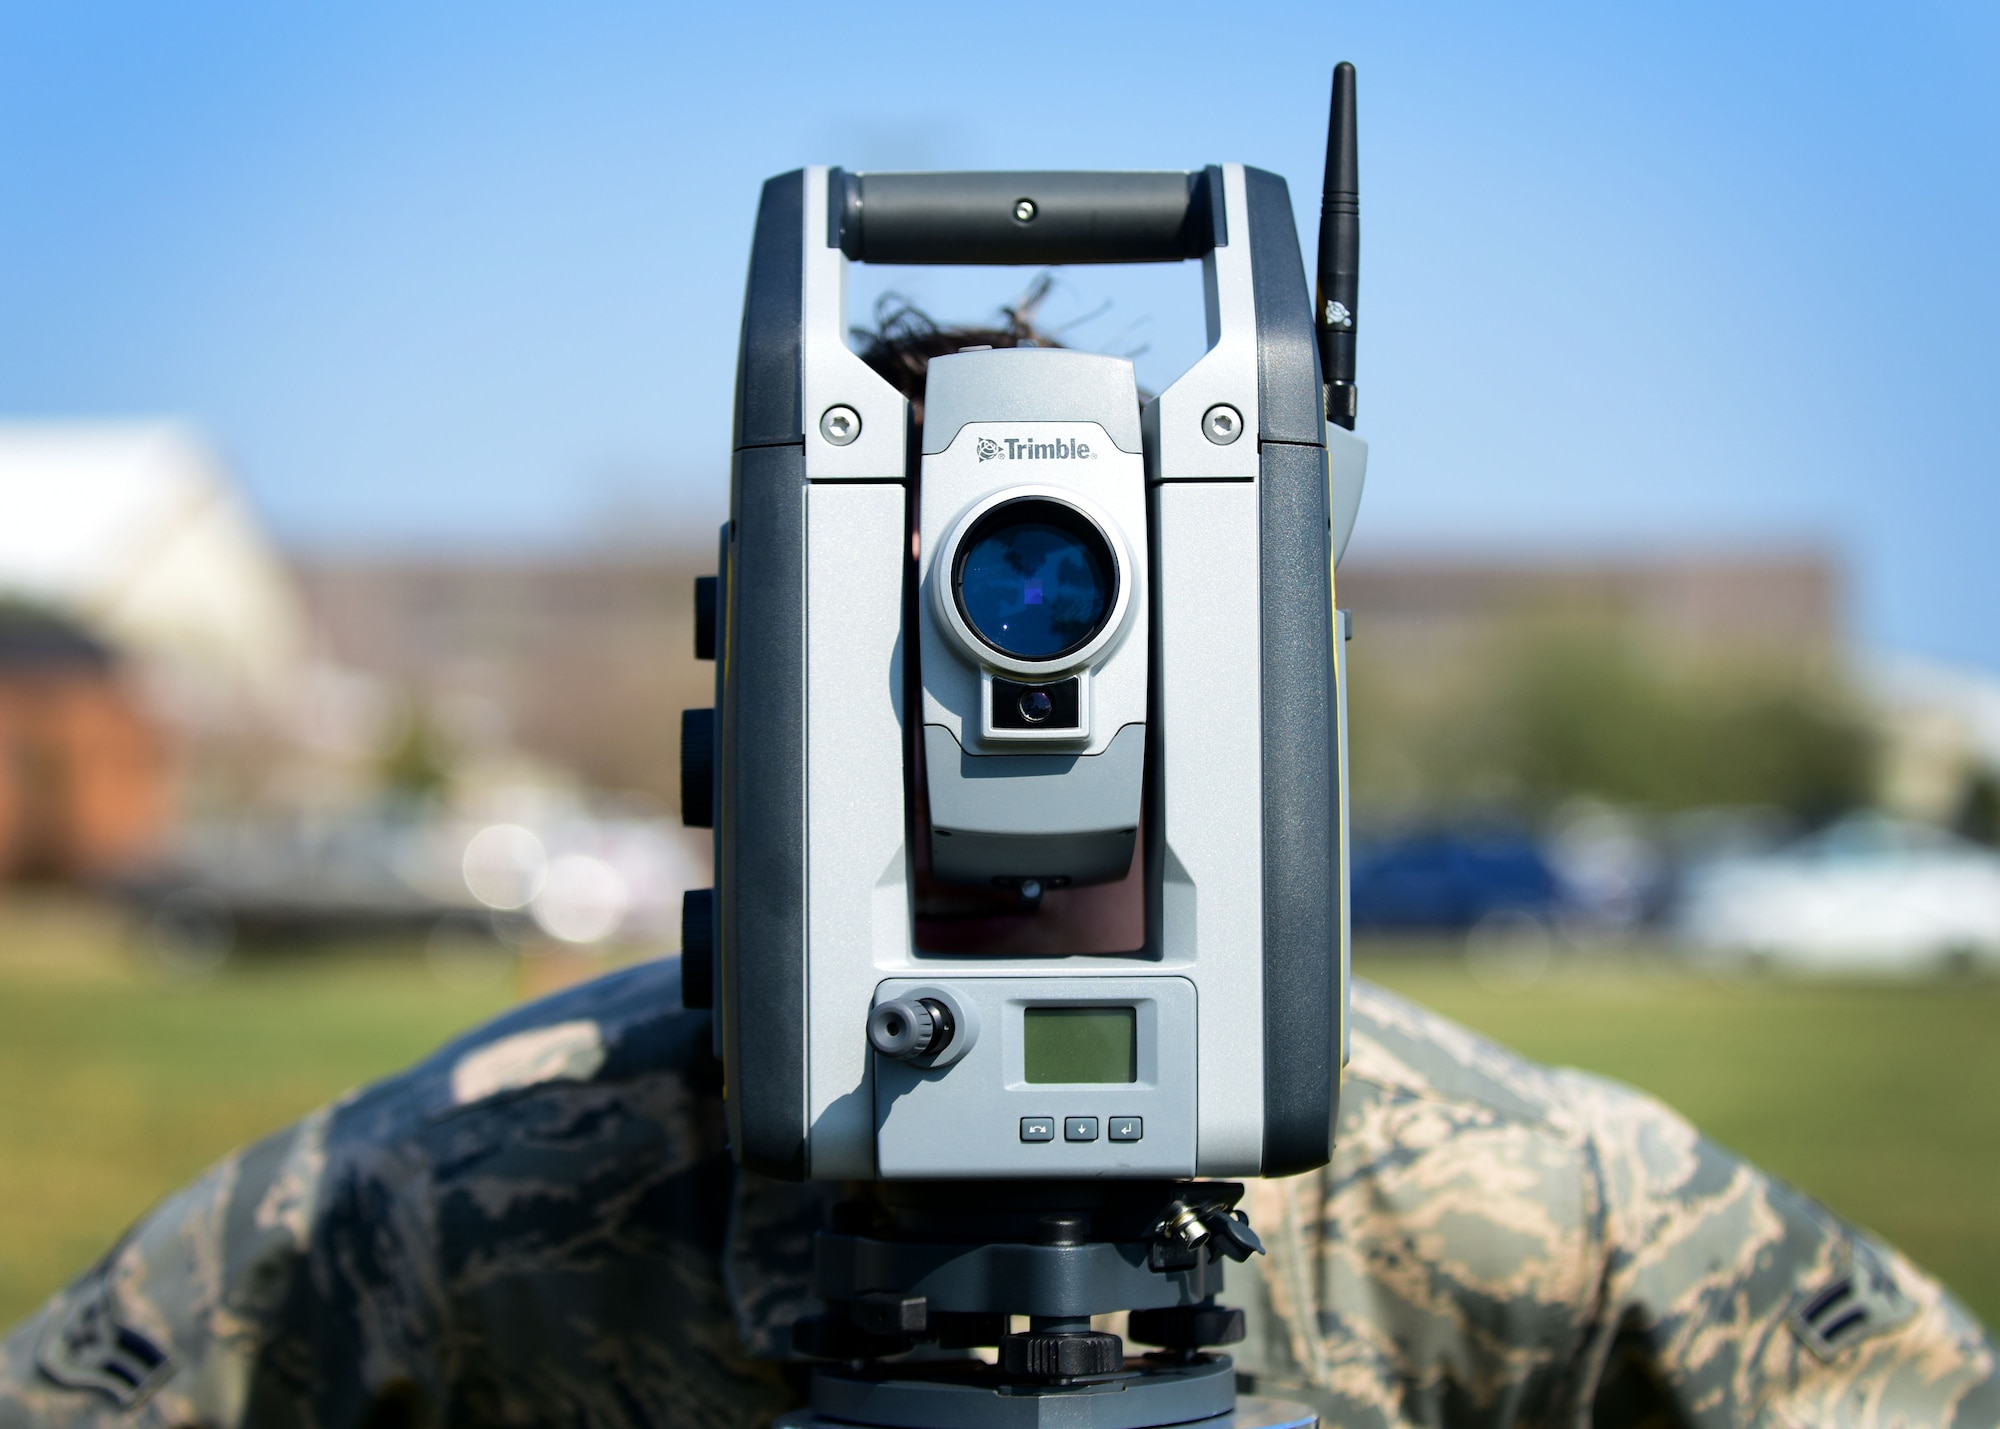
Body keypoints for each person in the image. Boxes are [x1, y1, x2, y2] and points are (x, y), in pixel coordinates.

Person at [6, 303, 1996, 1429]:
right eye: (908, 647)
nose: (1001, 731)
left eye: (1081, 626)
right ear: (764, 701)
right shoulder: (454, 1192)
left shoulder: (1496, 1195)